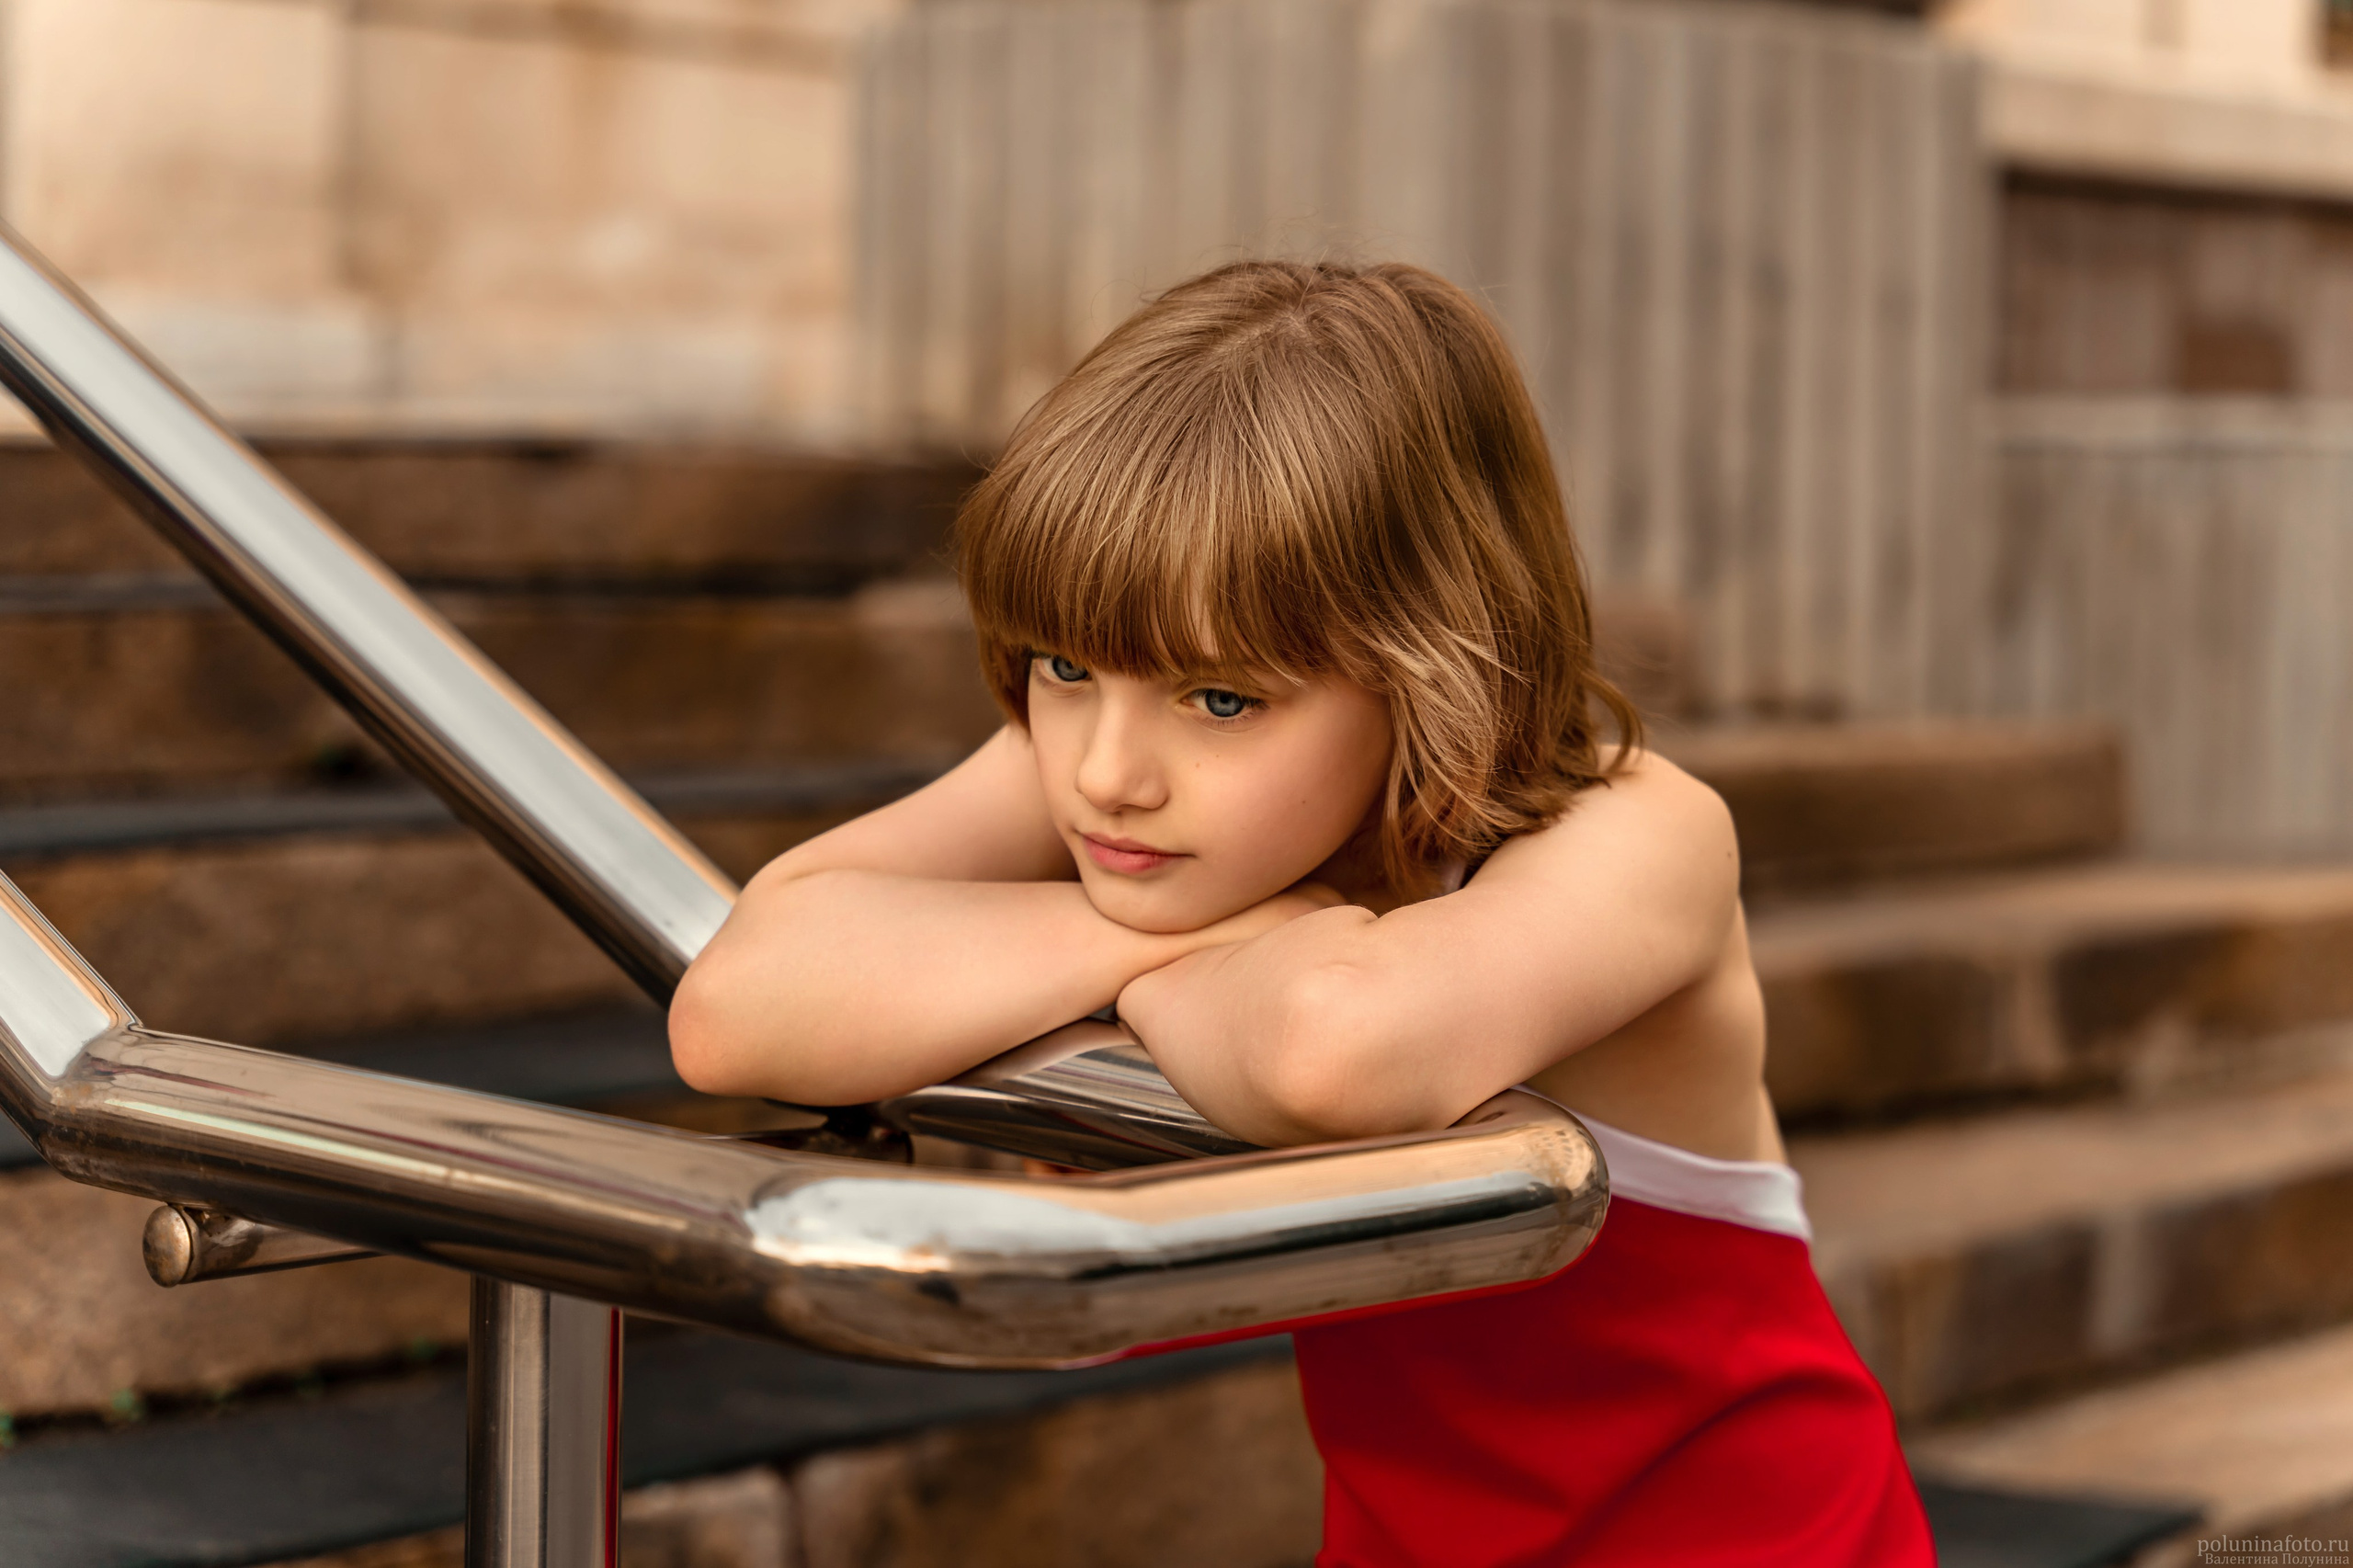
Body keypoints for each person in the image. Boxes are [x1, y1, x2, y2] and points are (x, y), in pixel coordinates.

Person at [669, 258, 1935, 1565]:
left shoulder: (1636, 833)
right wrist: (1173, 940)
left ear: (1426, 665)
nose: (1107, 772)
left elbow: (1338, 1046)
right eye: (1061, 666)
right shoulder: (1142, 774)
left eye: (1222, 699)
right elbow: (735, 1002)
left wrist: (1120, 956)